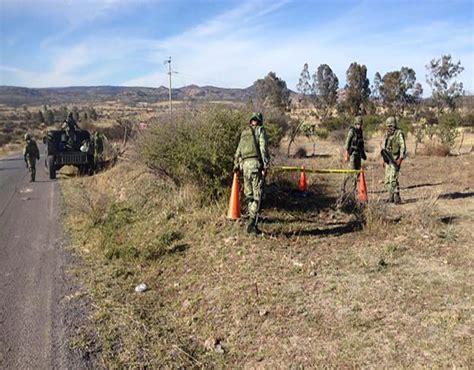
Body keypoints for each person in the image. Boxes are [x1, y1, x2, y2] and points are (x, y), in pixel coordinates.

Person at [234, 112, 270, 234]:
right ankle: (252, 223)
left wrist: (237, 165)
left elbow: (238, 151)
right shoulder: (260, 130)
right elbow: (263, 148)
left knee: (249, 195)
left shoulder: (244, 133)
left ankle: (251, 221)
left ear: (251, 121)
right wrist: (265, 164)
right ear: (259, 121)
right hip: (255, 166)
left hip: (245, 167)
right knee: (257, 196)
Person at [382, 116, 406, 204]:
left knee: (393, 178)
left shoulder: (399, 134)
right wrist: (384, 160)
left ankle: (397, 197)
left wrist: (401, 158)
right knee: (387, 179)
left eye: (390, 126)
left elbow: (403, 147)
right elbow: (384, 148)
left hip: (395, 159)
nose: (389, 128)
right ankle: (390, 196)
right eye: (388, 126)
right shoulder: (386, 135)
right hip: (388, 159)